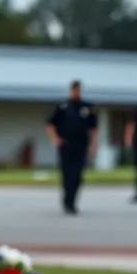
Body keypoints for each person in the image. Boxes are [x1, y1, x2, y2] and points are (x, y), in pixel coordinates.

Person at [46, 80, 97, 214]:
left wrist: (93, 145)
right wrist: (56, 139)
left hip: (81, 146)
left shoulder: (87, 107)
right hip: (66, 146)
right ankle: (67, 202)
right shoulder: (63, 107)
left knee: (78, 175)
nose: (77, 93)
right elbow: (50, 124)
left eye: (79, 90)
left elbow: (94, 129)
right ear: (71, 91)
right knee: (67, 175)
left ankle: (73, 201)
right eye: (75, 90)